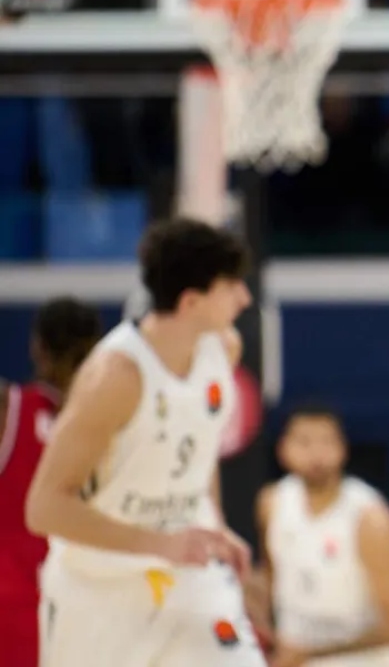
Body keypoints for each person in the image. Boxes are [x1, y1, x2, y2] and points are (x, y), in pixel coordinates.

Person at [25, 217, 261, 667]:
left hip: (188, 578)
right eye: (232, 286)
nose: (245, 298)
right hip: (99, 590)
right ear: (191, 301)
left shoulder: (223, 347)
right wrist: (159, 542)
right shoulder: (115, 377)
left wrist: (213, 522)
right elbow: (44, 508)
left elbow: (199, 444)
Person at [255, 404, 389, 667]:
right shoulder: (272, 502)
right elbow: (269, 577)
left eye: (326, 442)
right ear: (283, 449)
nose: (316, 454)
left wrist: (311, 652)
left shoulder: (370, 519)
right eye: (304, 442)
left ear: (343, 449)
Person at [0, 297, 102, 667]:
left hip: (12, 601)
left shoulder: (9, 406)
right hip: (83, 601)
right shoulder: (107, 426)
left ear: (36, 347)